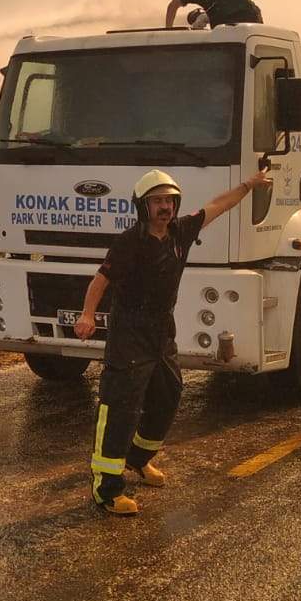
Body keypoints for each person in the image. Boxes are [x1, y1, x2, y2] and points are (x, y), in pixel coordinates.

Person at [75, 166, 272, 515]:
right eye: (156, 201)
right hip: (129, 335)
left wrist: (249, 185)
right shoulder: (129, 243)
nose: (165, 207)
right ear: (142, 206)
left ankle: (139, 458)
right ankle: (106, 487)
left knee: (169, 393)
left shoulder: (181, 232)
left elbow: (219, 205)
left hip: (161, 333)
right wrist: (88, 315)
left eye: (169, 200)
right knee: (120, 407)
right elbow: (100, 281)